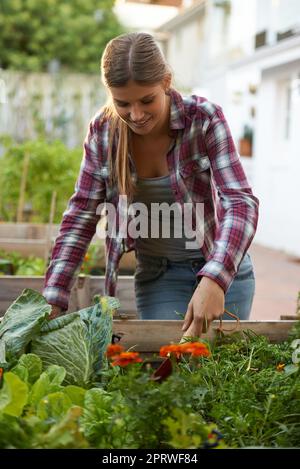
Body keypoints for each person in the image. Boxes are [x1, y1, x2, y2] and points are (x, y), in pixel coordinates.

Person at [43, 32, 259, 338]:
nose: (137, 115)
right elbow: (81, 215)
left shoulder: (204, 119)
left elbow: (240, 203)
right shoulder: (103, 132)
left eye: (147, 100)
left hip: (223, 269)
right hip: (160, 275)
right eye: (123, 103)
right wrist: (53, 296)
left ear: (166, 82)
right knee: (167, 374)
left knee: (219, 377)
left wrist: (215, 278)